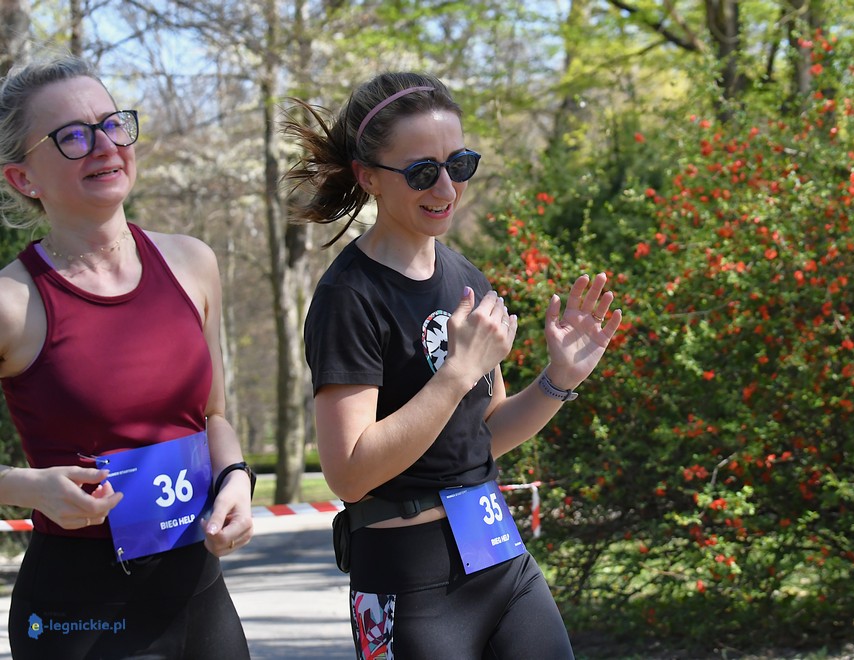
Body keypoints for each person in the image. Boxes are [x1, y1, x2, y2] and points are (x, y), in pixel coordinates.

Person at [284, 71, 623, 658]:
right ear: (369, 177)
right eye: (422, 171)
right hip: (407, 581)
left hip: (498, 556)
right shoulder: (349, 296)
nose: (446, 186)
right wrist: (458, 373)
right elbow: (350, 473)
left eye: (459, 164)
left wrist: (558, 380)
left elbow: (482, 436)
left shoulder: (465, 277)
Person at [0, 54, 254, 658]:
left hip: (200, 595)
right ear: (23, 178)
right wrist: (26, 487)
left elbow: (213, 416)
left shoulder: (192, 262)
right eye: (73, 136)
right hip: (79, 615)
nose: (105, 145)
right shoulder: (12, 300)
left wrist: (236, 479)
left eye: (113, 124)